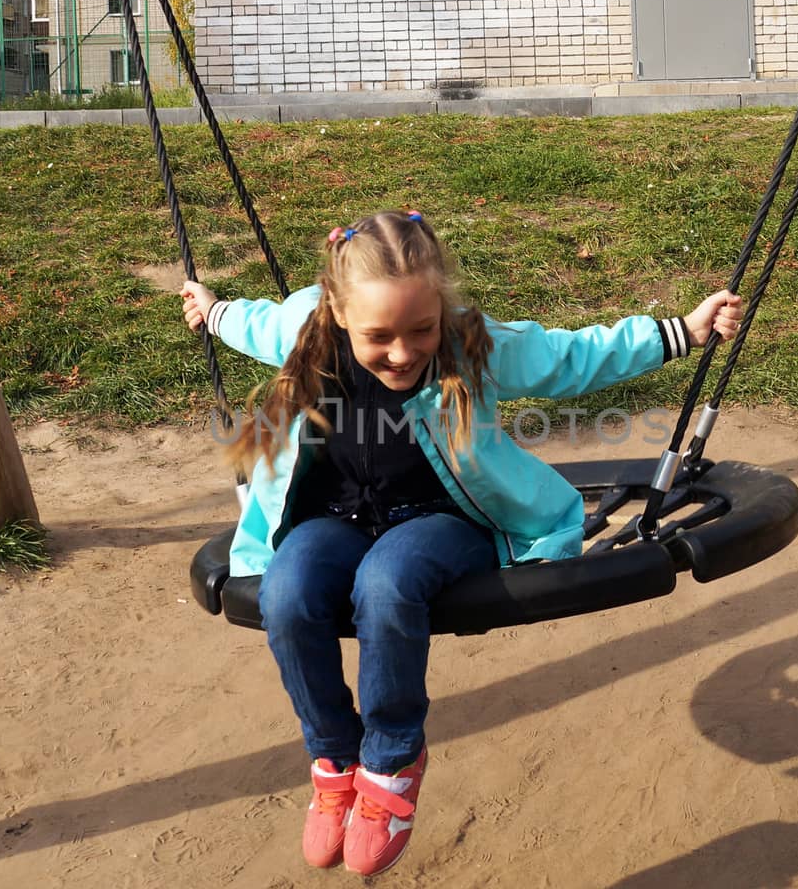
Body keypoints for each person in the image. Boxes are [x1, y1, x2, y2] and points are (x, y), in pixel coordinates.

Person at [180, 210, 742, 876]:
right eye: (378, 336)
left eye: (420, 329)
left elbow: (570, 356)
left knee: (386, 585)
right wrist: (211, 311)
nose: (402, 352)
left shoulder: (469, 343)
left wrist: (681, 332)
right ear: (334, 310)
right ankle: (334, 756)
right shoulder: (304, 329)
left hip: (442, 519)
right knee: (288, 589)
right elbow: (251, 324)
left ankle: (390, 764)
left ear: (441, 308)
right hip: (332, 515)